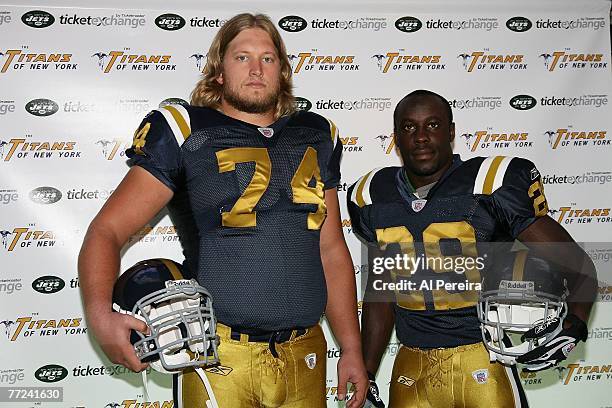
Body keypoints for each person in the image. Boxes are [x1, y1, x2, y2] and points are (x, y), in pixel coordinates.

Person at [79, 13, 367, 408]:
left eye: (268, 59)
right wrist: (99, 317)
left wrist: (351, 347)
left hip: (306, 351)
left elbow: (331, 249)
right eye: (242, 57)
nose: (255, 69)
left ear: (282, 72)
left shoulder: (316, 134)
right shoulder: (186, 130)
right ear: (218, 71)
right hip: (219, 354)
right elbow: (106, 231)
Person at [347, 90, 597, 407]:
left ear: (451, 132)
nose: (421, 137)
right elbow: (381, 294)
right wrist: (367, 371)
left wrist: (574, 325)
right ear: (396, 137)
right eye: (409, 127)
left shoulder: (489, 184)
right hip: (412, 364)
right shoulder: (372, 195)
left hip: (484, 359)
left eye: (433, 125)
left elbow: (578, 265)